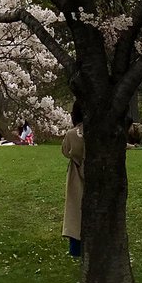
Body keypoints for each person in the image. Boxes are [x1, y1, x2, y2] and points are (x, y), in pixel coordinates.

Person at [61, 103, 84, 258]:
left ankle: (76, 248)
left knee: (76, 212)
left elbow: (65, 150)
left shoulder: (72, 134)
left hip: (76, 174)